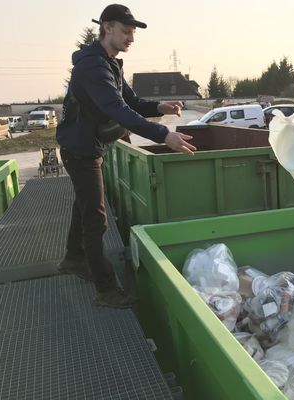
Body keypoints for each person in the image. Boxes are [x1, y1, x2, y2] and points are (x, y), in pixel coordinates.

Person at [56, 4, 196, 308]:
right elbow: (117, 110)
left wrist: (160, 108)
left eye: (133, 32)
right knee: (96, 218)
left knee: (84, 205)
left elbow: (130, 101)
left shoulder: (110, 62)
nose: (131, 37)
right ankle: (106, 290)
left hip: (86, 146)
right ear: (107, 28)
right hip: (80, 150)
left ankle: (73, 258)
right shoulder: (93, 66)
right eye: (126, 31)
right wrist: (163, 135)